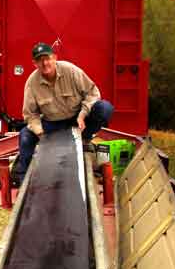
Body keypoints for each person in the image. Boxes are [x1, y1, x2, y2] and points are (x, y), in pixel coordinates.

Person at [11, 42, 114, 186]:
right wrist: (41, 134)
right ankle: (24, 180)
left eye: (47, 58)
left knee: (105, 108)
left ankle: (84, 138)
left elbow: (93, 93)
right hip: (52, 123)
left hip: (77, 119)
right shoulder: (31, 83)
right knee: (25, 136)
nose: (45, 63)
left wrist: (82, 115)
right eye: (40, 60)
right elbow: (30, 114)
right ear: (34, 63)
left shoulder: (71, 71)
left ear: (54, 58)